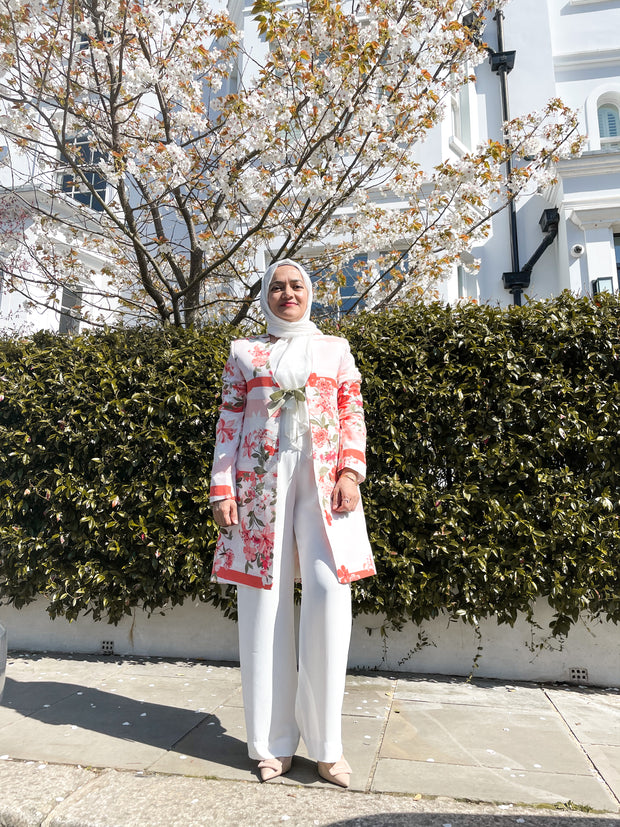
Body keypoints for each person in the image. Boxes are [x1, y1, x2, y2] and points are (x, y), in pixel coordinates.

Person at [210, 258, 375, 788]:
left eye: (296, 285)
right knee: (264, 605)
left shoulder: (335, 349)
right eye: (277, 287)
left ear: (311, 292)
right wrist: (221, 487)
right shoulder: (244, 353)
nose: (287, 294)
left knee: (328, 597)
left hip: (326, 485)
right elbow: (230, 421)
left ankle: (328, 747)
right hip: (259, 487)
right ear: (265, 295)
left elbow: (352, 411)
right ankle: (271, 744)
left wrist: (351, 471)